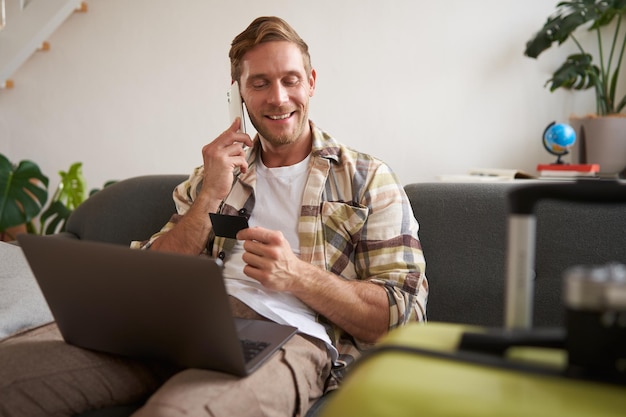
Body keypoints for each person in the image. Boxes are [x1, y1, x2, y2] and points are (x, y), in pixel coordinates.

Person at [0, 16, 427, 417]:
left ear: (311, 83)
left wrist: (297, 276)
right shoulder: (215, 173)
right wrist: (210, 195)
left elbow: (404, 315)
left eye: (290, 80)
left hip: (288, 335)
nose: (278, 98)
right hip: (177, 322)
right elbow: (150, 273)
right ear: (238, 92)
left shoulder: (368, 178)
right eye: (259, 83)